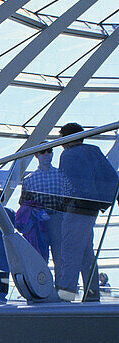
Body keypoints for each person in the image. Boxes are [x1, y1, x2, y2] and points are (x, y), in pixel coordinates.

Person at [56, 124, 118, 301]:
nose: (61, 143)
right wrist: (102, 202)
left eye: (62, 138)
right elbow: (111, 177)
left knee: (70, 250)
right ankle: (92, 294)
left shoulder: (68, 155)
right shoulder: (93, 151)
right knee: (86, 253)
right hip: (90, 210)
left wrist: (67, 202)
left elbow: (66, 183)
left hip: (75, 209)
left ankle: (66, 294)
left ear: (69, 138)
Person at [19, 147, 67, 277]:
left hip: (58, 219)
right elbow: (24, 203)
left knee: (60, 257)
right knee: (40, 257)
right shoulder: (29, 179)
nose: (46, 154)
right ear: (37, 155)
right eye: (43, 152)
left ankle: (60, 290)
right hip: (39, 223)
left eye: (49, 151)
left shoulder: (61, 175)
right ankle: (44, 289)